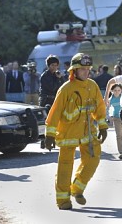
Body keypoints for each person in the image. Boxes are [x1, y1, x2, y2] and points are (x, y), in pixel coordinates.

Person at [44, 53, 108, 210]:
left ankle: (77, 189)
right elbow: (55, 111)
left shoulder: (92, 86)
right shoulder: (66, 89)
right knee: (65, 166)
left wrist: (103, 126)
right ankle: (63, 200)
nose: (86, 72)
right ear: (74, 71)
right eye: (82, 69)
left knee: (93, 159)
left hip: (88, 132)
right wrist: (49, 134)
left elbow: (99, 108)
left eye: (88, 69)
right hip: (69, 133)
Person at [107, 83, 122, 159]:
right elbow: (108, 109)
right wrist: (110, 117)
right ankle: (121, 153)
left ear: (121, 91)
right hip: (116, 119)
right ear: (112, 91)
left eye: (118, 90)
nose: (117, 92)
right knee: (118, 136)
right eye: (115, 90)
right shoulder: (110, 100)